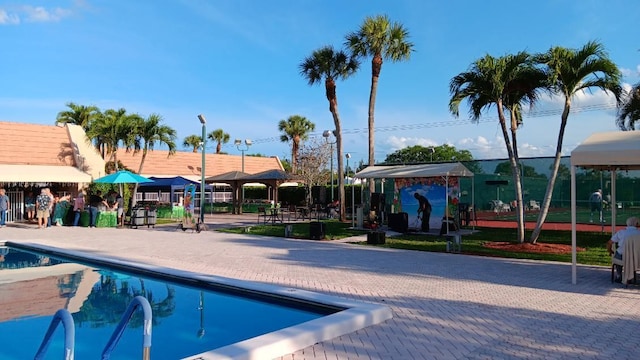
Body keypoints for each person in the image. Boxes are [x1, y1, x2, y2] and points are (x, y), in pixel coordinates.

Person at [607, 216, 640, 283]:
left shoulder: (621, 232)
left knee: (618, 254)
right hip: (636, 258)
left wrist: (610, 250)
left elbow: (609, 243)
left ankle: (619, 275)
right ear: (636, 224)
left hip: (622, 257)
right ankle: (631, 275)